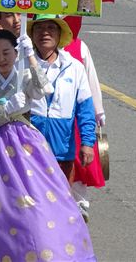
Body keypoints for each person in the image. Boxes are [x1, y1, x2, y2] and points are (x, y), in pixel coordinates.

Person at [0, 29, 96, 261]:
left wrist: (31, 57)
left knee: (37, 207)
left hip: (26, 148)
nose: (1, 59)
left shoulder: (23, 75)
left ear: (15, 53)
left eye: (6, 53)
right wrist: (6, 109)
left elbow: (44, 88)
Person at [28, 15, 96, 183]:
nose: (44, 33)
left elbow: (85, 109)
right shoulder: (21, 65)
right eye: (39, 28)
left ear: (60, 35)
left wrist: (87, 143)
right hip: (28, 150)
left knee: (61, 203)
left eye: (51, 28)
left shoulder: (75, 67)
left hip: (62, 151)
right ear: (32, 34)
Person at [64, 37, 106, 222]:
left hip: (75, 118)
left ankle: (80, 205)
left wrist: (98, 111)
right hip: (45, 123)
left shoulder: (78, 46)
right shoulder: (29, 45)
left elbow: (90, 80)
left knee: (79, 164)